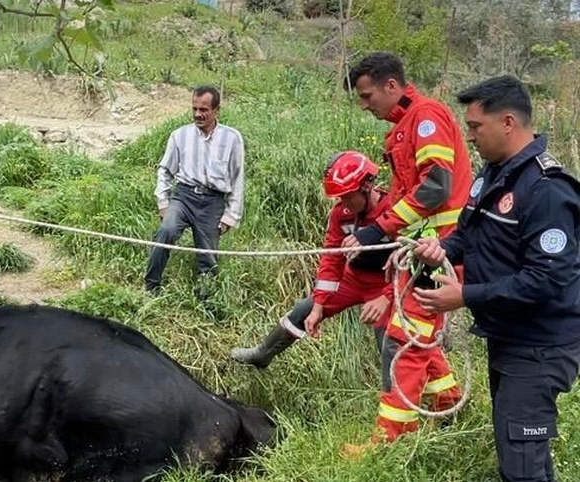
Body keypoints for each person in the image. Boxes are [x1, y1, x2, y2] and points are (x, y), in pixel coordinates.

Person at [413, 75, 580, 482]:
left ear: (508, 122)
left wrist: (465, 295)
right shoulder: (493, 175)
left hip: (540, 346)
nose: (469, 136)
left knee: (521, 464)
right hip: (507, 336)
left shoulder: (546, 190)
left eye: (475, 127)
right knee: (522, 453)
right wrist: (441, 250)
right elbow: (469, 235)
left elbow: (546, 279)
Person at [341, 52, 471, 446]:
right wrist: (381, 233)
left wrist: (377, 230)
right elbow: (407, 194)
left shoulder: (427, 118)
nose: (365, 106)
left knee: (403, 340)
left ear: (391, 86)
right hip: (422, 250)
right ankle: (450, 405)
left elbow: (436, 187)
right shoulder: (402, 128)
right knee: (417, 334)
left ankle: (390, 439)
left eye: (367, 96)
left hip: (442, 250)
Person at [230, 151, 396, 367]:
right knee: (303, 311)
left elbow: (411, 261)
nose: (343, 202)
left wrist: (387, 297)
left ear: (365, 187)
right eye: (340, 197)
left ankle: (406, 394)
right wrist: (319, 305)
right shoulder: (341, 214)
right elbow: (332, 260)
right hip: (353, 279)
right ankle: (261, 355)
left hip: (388, 285)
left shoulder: (395, 210)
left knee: (390, 342)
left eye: (347, 196)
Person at [144, 85, 245, 298]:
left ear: (217, 110)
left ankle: (206, 300)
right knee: (166, 232)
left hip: (212, 201)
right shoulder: (180, 136)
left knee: (207, 255)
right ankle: (151, 288)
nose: (198, 114)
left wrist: (231, 216)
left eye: (204, 110)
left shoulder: (232, 138)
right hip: (183, 196)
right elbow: (165, 170)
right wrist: (163, 202)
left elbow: (237, 179)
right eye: (195, 109)